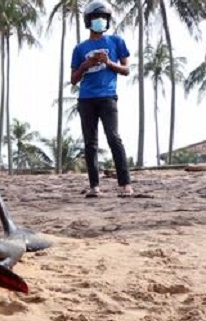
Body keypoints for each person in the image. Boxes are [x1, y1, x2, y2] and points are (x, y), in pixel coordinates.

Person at [70, 0, 133, 198]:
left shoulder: (116, 42)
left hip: (108, 97)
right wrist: (85, 65)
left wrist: (108, 62)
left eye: (104, 18)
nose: (101, 22)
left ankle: (125, 184)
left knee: (114, 137)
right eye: (97, 18)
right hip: (86, 99)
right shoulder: (80, 48)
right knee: (90, 143)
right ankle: (94, 186)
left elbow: (126, 70)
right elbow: (73, 79)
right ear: (89, 21)